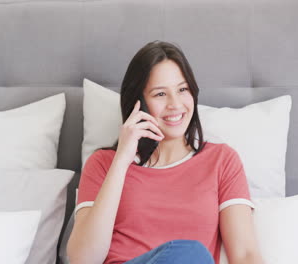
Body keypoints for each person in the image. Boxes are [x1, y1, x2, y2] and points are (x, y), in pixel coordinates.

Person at [67, 41, 264, 264]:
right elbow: (82, 260)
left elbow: (246, 255)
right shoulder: (104, 164)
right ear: (138, 103)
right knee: (190, 253)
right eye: (160, 94)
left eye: (182, 89)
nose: (175, 104)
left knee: (191, 254)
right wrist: (122, 160)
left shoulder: (222, 161)